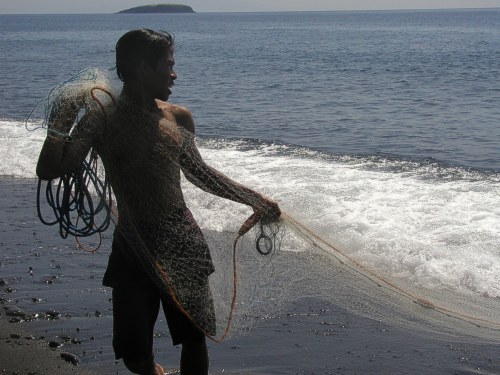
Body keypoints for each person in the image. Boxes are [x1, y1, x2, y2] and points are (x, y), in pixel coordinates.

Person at [36, 29, 280, 375]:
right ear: (142, 67)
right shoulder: (102, 118)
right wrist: (60, 119)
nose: (175, 74)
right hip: (133, 243)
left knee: (194, 339)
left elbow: (200, 173)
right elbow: (50, 168)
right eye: (168, 65)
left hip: (181, 237)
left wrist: (255, 200)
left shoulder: (177, 117)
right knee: (135, 355)